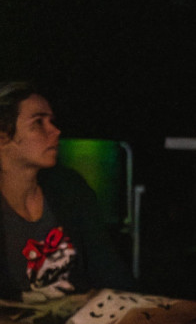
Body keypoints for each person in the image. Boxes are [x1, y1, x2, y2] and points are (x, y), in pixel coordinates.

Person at [0, 81, 133, 301]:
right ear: (3, 136)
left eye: (51, 121)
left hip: (78, 323)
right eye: (38, 123)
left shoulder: (69, 188)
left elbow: (109, 270)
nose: (55, 130)